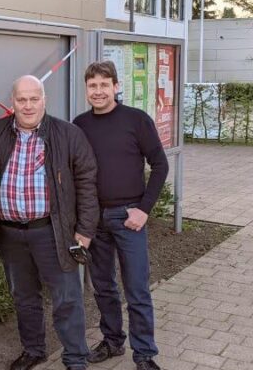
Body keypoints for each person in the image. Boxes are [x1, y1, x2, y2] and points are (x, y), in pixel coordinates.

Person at [0, 75, 99, 370]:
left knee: (67, 298)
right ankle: (33, 350)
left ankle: (75, 358)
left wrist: (85, 230)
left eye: (34, 99)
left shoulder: (68, 134)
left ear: (44, 99)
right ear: (12, 102)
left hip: (54, 232)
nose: (28, 106)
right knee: (23, 296)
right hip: (10, 233)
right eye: (21, 100)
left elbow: (87, 184)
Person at [73, 61, 169, 370]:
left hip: (129, 217)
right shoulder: (80, 124)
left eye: (104, 85)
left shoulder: (136, 120)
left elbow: (160, 165)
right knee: (103, 286)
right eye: (92, 86)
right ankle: (113, 341)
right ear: (86, 89)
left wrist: (143, 210)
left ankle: (144, 355)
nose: (98, 91)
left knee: (137, 289)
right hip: (93, 220)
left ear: (116, 86)